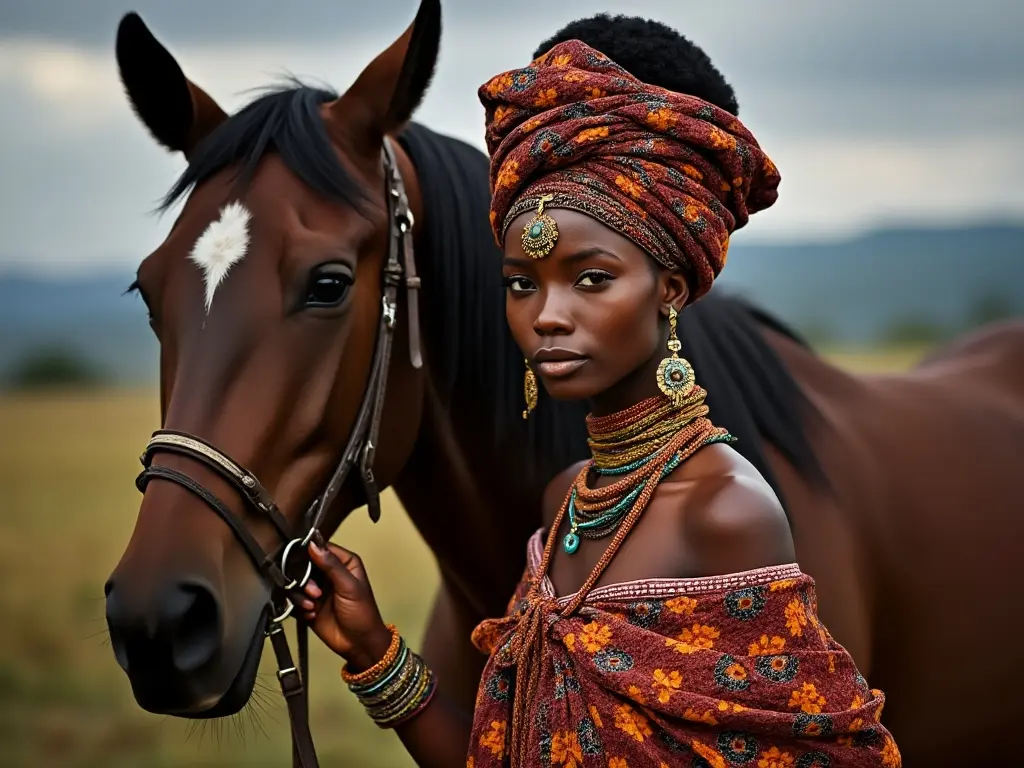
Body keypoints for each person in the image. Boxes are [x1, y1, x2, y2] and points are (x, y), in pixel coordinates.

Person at [298, 15, 902, 768]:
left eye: (592, 279)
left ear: (670, 288)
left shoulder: (729, 514)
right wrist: (374, 650)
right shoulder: (564, 504)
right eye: (522, 284)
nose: (548, 316)